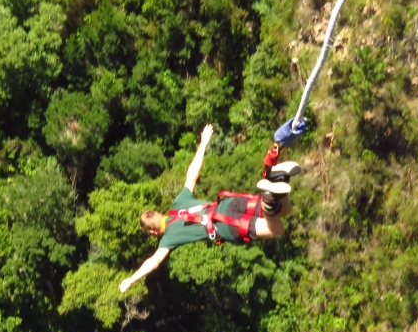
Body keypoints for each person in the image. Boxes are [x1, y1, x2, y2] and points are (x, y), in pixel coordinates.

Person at [118, 124, 299, 293]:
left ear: (152, 231)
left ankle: (269, 198)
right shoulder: (178, 203)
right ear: (159, 213)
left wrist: (131, 279)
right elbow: (192, 176)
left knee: (276, 228)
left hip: (227, 225)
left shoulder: (168, 238)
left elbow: (154, 261)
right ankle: (279, 179)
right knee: (284, 210)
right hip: (228, 203)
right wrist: (203, 144)